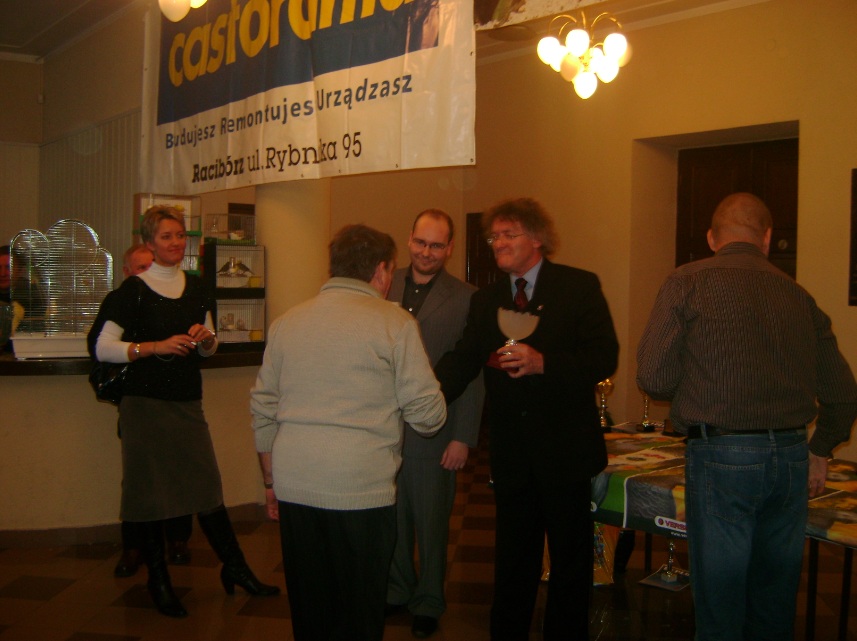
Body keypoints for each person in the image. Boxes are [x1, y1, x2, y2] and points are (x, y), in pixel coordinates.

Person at [636, 192, 857, 641]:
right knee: (774, 601)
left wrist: (699, 385)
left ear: (712, 238)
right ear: (768, 238)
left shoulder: (687, 281)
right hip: (792, 456)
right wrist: (821, 448)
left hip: (723, 454)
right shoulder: (798, 295)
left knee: (720, 604)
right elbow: (843, 394)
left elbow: (653, 377)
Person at [250, 224, 447, 641]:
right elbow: (428, 418)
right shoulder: (395, 323)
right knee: (358, 612)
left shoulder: (288, 323)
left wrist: (270, 481)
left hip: (295, 482)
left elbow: (263, 406)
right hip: (360, 489)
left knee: (310, 608)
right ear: (381, 270)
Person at [434, 197, 619, 640]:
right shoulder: (488, 300)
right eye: (494, 237)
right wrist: (422, 395)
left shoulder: (578, 287)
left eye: (508, 234)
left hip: (566, 452)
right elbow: (464, 359)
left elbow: (603, 356)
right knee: (513, 562)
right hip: (513, 456)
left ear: (537, 238)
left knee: (570, 563)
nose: (498, 243)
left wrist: (544, 363)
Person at [94, 206, 279, 618]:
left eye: (179, 235)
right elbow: (102, 347)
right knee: (148, 493)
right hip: (143, 405)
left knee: (206, 486)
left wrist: (206, 339)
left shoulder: (195, 288)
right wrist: (152, 348)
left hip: (186, 401)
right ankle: (158, 579)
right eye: (166, 236)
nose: (176, 243)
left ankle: (235, 567)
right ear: (149, 243)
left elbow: (209, 346)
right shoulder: (132, 291)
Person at [385, 209, 484, 639]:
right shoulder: (382, 284)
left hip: (435, 432)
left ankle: (428, 600)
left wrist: (463, 437)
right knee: (391, 519)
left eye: (436, 245)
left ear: (449, 248)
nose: (427, 252)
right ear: (409, 239)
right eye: (421, 243)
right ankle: (397, 589)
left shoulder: (466, 298)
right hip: (383, 429)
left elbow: (473, 375)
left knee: (431, 523)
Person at [88, 244, 194, 578]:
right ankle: (133, 547)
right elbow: (98, 347)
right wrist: (146, 349)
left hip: (177, 396)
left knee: (178, 470)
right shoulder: (121, 299)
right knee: (138, 477)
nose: (149, 274)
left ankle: (178, 539)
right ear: (126, 273)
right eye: (140, 268)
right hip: (138, 399)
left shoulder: (178, 296)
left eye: (152, 266)